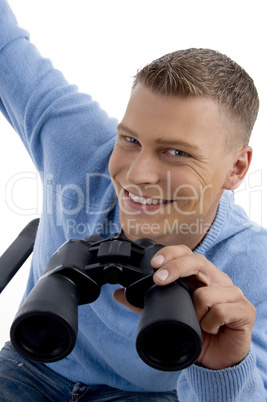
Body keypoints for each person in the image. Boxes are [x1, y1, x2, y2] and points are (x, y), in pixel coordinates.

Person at [0, 0, 266, 400]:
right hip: (35, 362)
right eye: (130, 140)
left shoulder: (253, 266)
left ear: (236, 169)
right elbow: (8, 49)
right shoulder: (77, 142)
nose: (137, 174)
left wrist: (222, 368)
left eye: (177, 152)